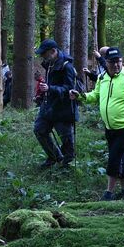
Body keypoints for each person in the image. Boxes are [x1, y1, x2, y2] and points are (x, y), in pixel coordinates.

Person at [69, 47, 124, 201]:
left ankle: (108, 193)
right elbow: (95, 95)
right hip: (109, 128)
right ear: (106, 62)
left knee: (114, 158)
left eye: (118, 61)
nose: (116, 65)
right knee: (121, 158)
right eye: (112, 62)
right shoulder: (102, 77)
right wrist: (81, 96)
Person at [34, 39, 79, 168]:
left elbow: (70, 89)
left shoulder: (67, 66)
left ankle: (68, 166)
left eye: (44, 53)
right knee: (39, 130)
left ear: (53, 51)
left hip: (63, 109)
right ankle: (55, 157)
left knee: (66, 139)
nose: (42, 56)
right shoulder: (49, 63)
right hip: (48, 107)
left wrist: (50, 88)